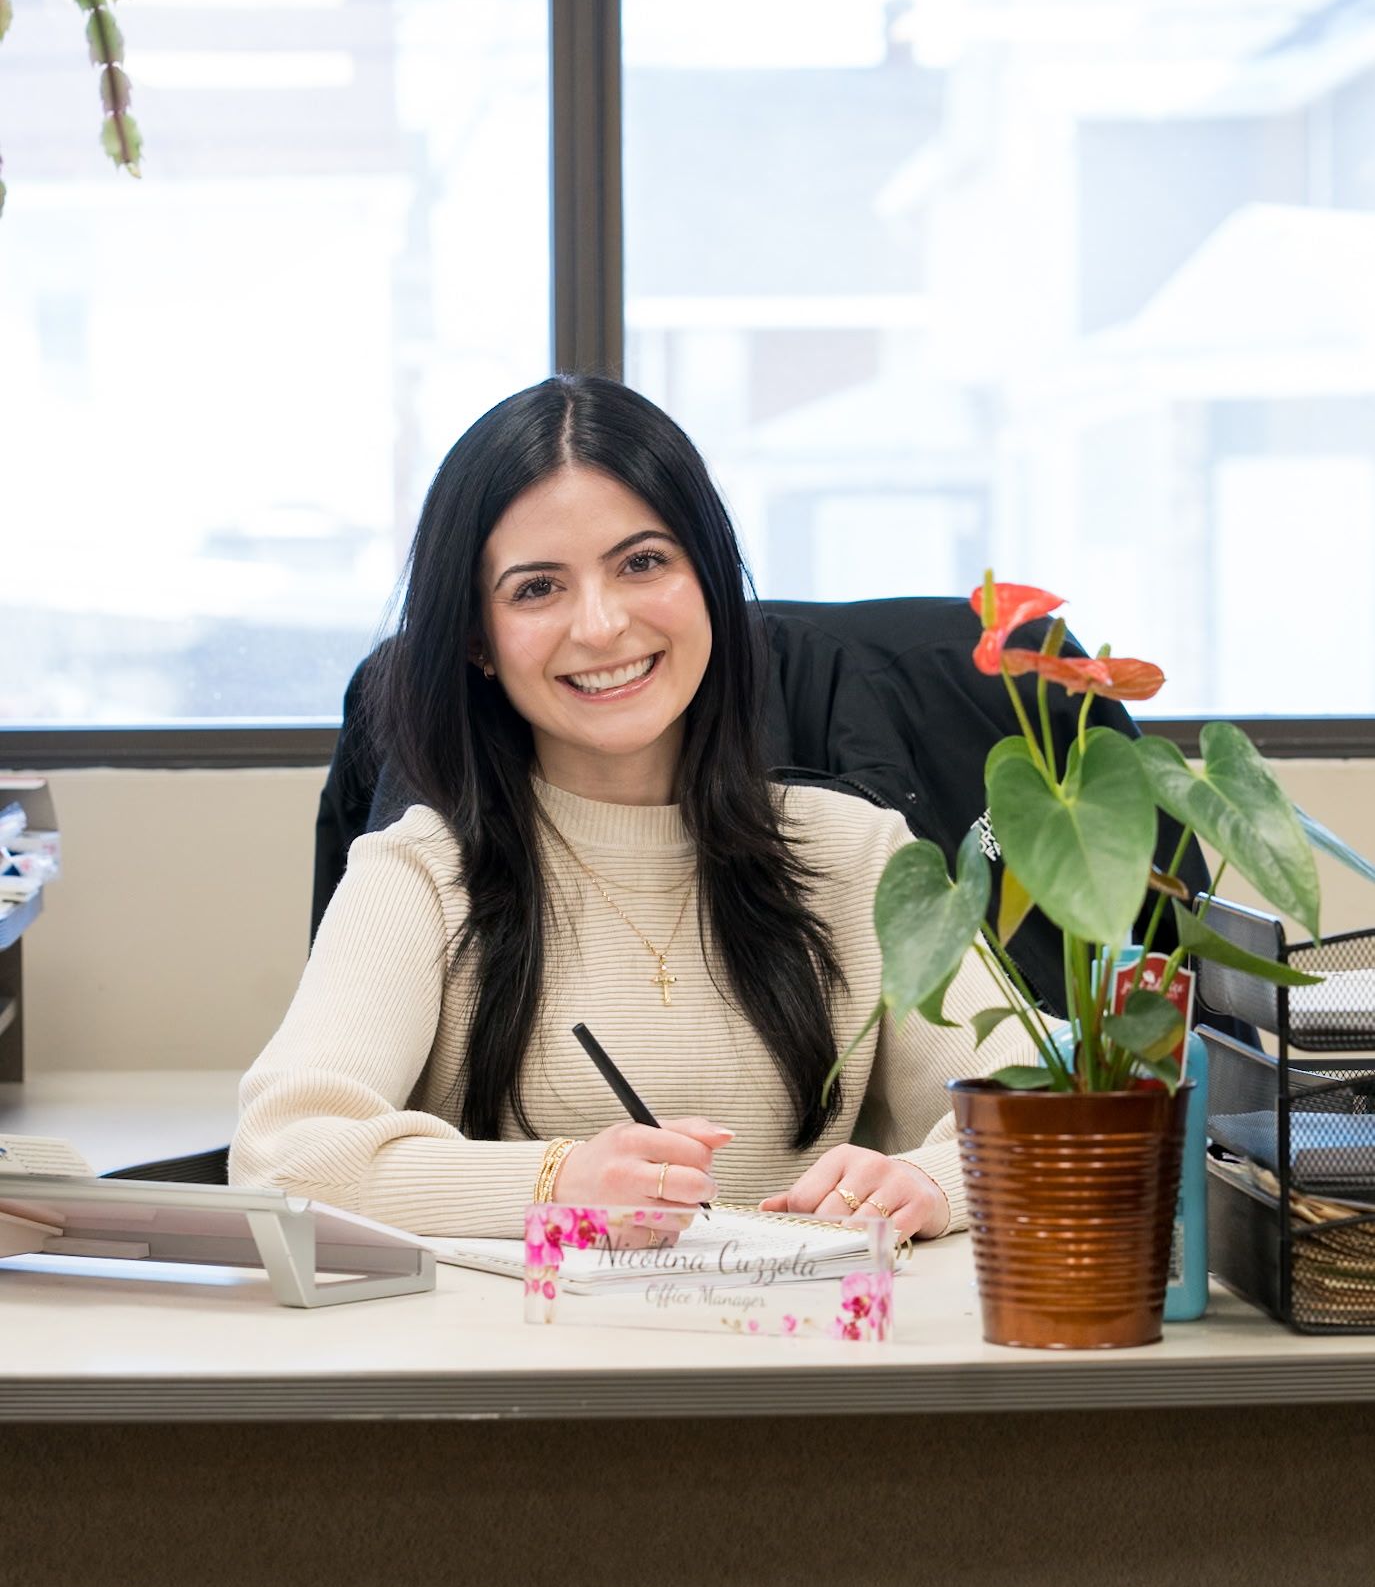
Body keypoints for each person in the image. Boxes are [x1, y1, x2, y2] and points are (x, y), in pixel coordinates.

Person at [230, 375, 1028, 1245]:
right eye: (537, 588)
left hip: (812, 1361)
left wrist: (923, 1181)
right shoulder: (419, 873)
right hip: (523, 1370)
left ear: (710, 583)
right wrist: (557, 1182)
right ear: (476, 641)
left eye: (641, 562)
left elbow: (1047, 1103)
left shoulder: (859, 852)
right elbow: (281, 1156)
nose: (603, 624)